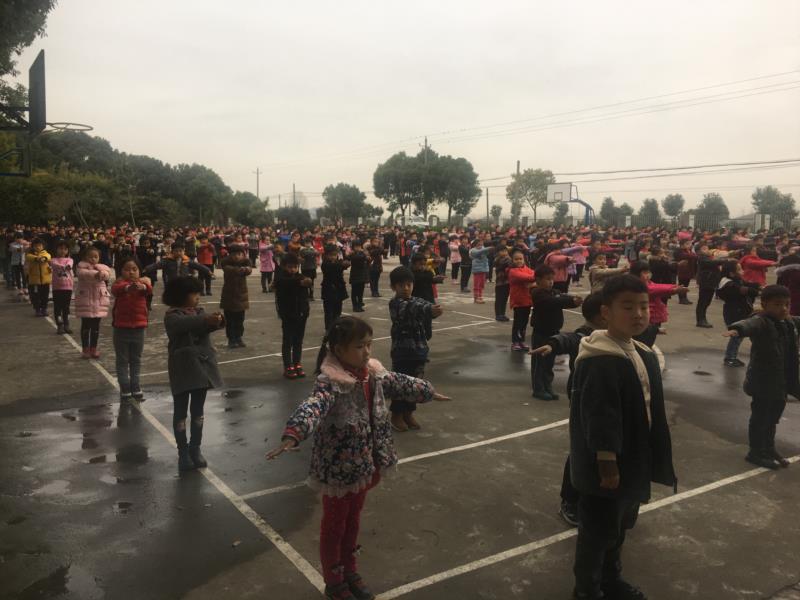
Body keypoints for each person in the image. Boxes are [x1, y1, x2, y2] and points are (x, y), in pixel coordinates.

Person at [265, 316, 451, 600]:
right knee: (335, 526)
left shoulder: (372, 374)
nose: (366, 352)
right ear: (339, 350)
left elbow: (400, 382)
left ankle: (349, 570)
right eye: (359, 346)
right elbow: (313, 407)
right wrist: (294, 433)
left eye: (369, 344)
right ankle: (334, 581)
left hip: (364, 464)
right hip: (340, 471)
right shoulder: (330, 383)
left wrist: (428, 391)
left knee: (352, 521)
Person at [570, 274, 677, 600]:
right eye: (627, 307)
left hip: (632, 458)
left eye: (643, 306)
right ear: (606, 312)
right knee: (597, 532)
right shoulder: (601, 359)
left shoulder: (640, 351)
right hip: (607, 467)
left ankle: (610, 578)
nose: (638, 314)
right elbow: (600, 417)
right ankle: (587, 589)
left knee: (618, 527)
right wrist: (607, 464)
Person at [529, 292, 606, 527]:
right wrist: (552, 344)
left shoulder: (619, 335)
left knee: (605, 451)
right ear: (603, 315)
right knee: (583, 451)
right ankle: (570, 500)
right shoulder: (586, 335)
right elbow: (569, 339)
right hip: (585, 401)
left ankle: (601, 499)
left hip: (610, 403)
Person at [723, 284, 800, 469]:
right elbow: (749, 324)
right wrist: (737, 330)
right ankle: (755, 452)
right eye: (777, 304)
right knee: (760, 418)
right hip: (763, 382)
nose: (783, 308)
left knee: (773, 418)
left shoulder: (789, 322)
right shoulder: (762, 321)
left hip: (781, 382)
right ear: (765, 305)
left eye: (787, 304)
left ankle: (769, 448)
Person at [163, 276, 225, 471]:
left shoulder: (199, 312)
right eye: (194, 293)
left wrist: (217, 320)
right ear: (181, 295)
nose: (198, 297)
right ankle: (183, 452)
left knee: (198, 411)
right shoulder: (172, 315)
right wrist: (205, 319)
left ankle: (195, 448)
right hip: (182, 367)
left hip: (202, 367)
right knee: (180, 412)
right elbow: (184, 325)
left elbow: (206, 326)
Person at [388, 266, 443, 432]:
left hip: (419, 351)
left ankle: (408, 413)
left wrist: (433, 309)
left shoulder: (415, 300)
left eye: (409, 285)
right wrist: (429, 310)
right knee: (401, 385)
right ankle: (396, 415)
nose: (406, 288)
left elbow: (423, 304)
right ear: (393, 287)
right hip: (402, 353)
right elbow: (413, 308)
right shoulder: (395, 304)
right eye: (401, 285)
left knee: (415, 385)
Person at [530, 265, 583, 400]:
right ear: (538, 280)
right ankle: (538, 389)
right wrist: (570, 300)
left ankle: (548, 386)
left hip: (554, 332)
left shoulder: (554, 292)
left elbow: (562, 299)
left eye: (552, 279)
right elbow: (554, 301)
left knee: (549, 363)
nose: (551, 282)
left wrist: (575, 301)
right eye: (547, 279)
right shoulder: (537, 293)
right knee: (539, 363)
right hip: (541, 332)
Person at [111, 258, 152, 401]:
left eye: (134, 269)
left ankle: (135, 385)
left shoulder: (142, 285)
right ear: (121, 271)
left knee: (136, 359)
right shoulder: (118, 284)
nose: (131, 272)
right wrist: (128, 288)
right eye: (127, 269)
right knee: (122, 360)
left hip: (139, 328)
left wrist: (144, 286)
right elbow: (116, 290)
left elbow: (149, 290)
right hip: (121, 328)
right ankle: (125, 387)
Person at [629, 260, 687, 347]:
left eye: (648, 272)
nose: (648, 274)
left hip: (652, 317)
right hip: (647, 316)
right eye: (644, 272)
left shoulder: (647, 282)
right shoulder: (638, 286)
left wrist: (674, 287)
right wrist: (673, 290)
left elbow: (657, 286)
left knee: (649, 337)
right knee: (644, 341)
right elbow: (655, 289)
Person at [273, 253, 313, 379]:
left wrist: (308, 281)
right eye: (290, 267)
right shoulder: (281, 279)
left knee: (298, 340)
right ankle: (288, 365)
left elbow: (307, 283)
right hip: (288, 314)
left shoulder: (300, 277)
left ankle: (297, 363)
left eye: (295, 267)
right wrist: (300, 282)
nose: (293, 270)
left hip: (301, 314)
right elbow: (285, 283)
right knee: (288, 341)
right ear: (284, 267)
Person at [716, 260, 760, 367]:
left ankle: (732, 357)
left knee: (740, 336)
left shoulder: (736, 280)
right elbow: (744, 290)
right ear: (731, 273)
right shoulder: (728, 284)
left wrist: (758, 286)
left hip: (740, 312)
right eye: (739, 269)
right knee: (736, 336)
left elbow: (747, 285)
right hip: (734, 313)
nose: (742, 271)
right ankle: (730, 358)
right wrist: (757, 291)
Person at [75, 247, 113, 359]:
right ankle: (85, 349)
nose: (93, 259)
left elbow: (107, 274)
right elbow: (84, 274)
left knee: (96, 328)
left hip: (98, 302)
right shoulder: (80, 267)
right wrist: (96, 274)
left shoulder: (103, 268)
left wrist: (102, 274)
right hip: (86, 301)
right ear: (85, 257)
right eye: (90, 256)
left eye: (95, 257)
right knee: (85, 327)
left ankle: (93, 348)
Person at [219, 244, 251, 349]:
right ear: (230, 255)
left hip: (241, 297)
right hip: (229, 296)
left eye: (239, 254)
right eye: (234, 254)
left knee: (240, 320)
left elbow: (249, 270)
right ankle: (231, 339)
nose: (237, 256)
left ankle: (239, 337)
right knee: (230, 320)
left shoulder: (245, 263)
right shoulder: (226, 263)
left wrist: (246, 269)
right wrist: (241, 269)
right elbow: (230, 269)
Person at [143, 242, 212, 286]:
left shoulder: (186, 260)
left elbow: (198, 266)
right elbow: (157, 265)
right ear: (172, 252)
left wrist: (208, 270)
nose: (178, 253)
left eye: (180, 251)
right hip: (172, 283)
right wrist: (147, 269)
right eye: (176, 251)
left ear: (184, 251)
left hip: (184, 282)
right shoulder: (167, 260)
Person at [507, 249, 536, 351]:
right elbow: (530, 278)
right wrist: (534, 282)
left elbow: (532, 275)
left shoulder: (526, 269)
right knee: (518, 323)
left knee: (524, 323)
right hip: (518, 301)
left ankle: (521, 341)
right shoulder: (513, 271)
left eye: (521, 259)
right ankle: (515, 342)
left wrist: (532, 283)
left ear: (524, 259)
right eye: (516, 259)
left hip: (527, 300)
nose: (519, 261)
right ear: (512, 260)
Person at [321, 244, 351, 331]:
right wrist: (343, 264)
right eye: (331, 255)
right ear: (326, 255)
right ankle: (329, 329)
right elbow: (333, 267)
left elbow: (343, 265)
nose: (333, 257)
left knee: (337, 311)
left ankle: (336, 327)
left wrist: (345, 264)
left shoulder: (338, 262)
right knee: (329, 312)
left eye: (335, 255)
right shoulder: (325, 264)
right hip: (329, 290)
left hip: (338, 289)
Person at [51, 241, 74, 334]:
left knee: (66, 307)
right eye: (60, 248)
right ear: (56, 249)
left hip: (68, 287)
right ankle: (59, 325)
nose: (63, 251)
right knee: (57, 307)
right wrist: (64, 267)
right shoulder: (53, 260)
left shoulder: (70, 260)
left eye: (65, 249)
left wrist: (66, 267)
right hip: (57, 288)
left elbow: (69, 265)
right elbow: (55, 265)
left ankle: (66, 324)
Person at [25, 237, 52, 317]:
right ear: (33, 247)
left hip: (45, 280)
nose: (38, 247)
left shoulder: (46, 253)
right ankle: (37, 309)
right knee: (35, 296)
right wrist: (37, 258)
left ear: (43, 246)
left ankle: (44, 309)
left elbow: (48, 256)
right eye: (36, 246)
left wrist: (44, 258)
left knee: (45, 296)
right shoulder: (30, 255)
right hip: (35, 281)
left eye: (40, 245)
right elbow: (29, 257)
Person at [348, 240, 370, 312]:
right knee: (354, 291)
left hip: (362, 275)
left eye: (359, 246)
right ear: (353, 247)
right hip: (355, 275)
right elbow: (355, 258)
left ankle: (360, 304)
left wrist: (368, 258)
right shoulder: (353, 254)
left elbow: (368, 261)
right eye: (356, 246)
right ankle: (355, 306)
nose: (358, 248)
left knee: (361, 291)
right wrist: (365, 255)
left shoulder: (362, 253)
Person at [469, 238, 491, 304]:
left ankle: (480, 296)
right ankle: (476, 298)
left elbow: (486, 253)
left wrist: (489, 250)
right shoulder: (473, 250)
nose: (480, 246)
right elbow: (478, 253)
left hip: (483, 270)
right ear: (475, 245)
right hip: (477, 270)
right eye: (478, 245)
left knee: (481, 284)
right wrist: (488, 248)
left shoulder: (483, 249)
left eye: (481, 244)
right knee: (477, 285)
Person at [493, 246, 512, 322]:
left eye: (505, 251)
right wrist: (509, 259)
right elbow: (505, 264)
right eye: (502, 251)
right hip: (500, 282)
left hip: (507, 282)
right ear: (498, 252)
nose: (504, 253)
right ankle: (498, 315)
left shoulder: (508, 259)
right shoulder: (497, 259)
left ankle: (502, 314)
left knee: (504, 299)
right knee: (499, 299)